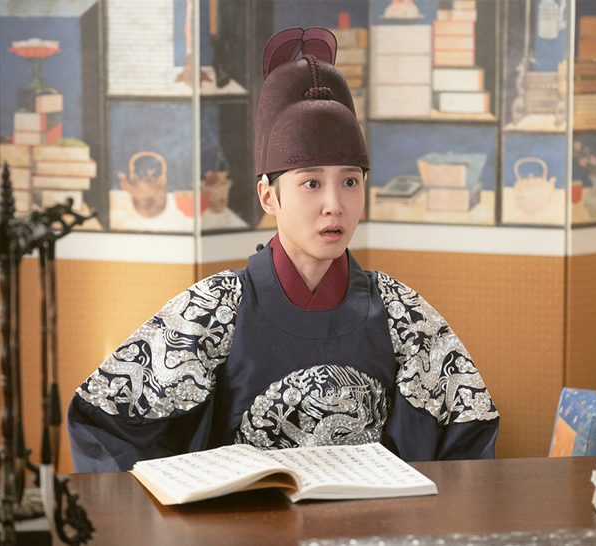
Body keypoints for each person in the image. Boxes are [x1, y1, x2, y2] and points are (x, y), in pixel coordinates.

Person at [67, 27, 499, 473]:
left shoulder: (402, 315)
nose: (334, 204)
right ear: (268, 196)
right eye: (311, 182)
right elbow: (102, 421)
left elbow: (467, 436)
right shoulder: (213, 311)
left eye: (350, 181)